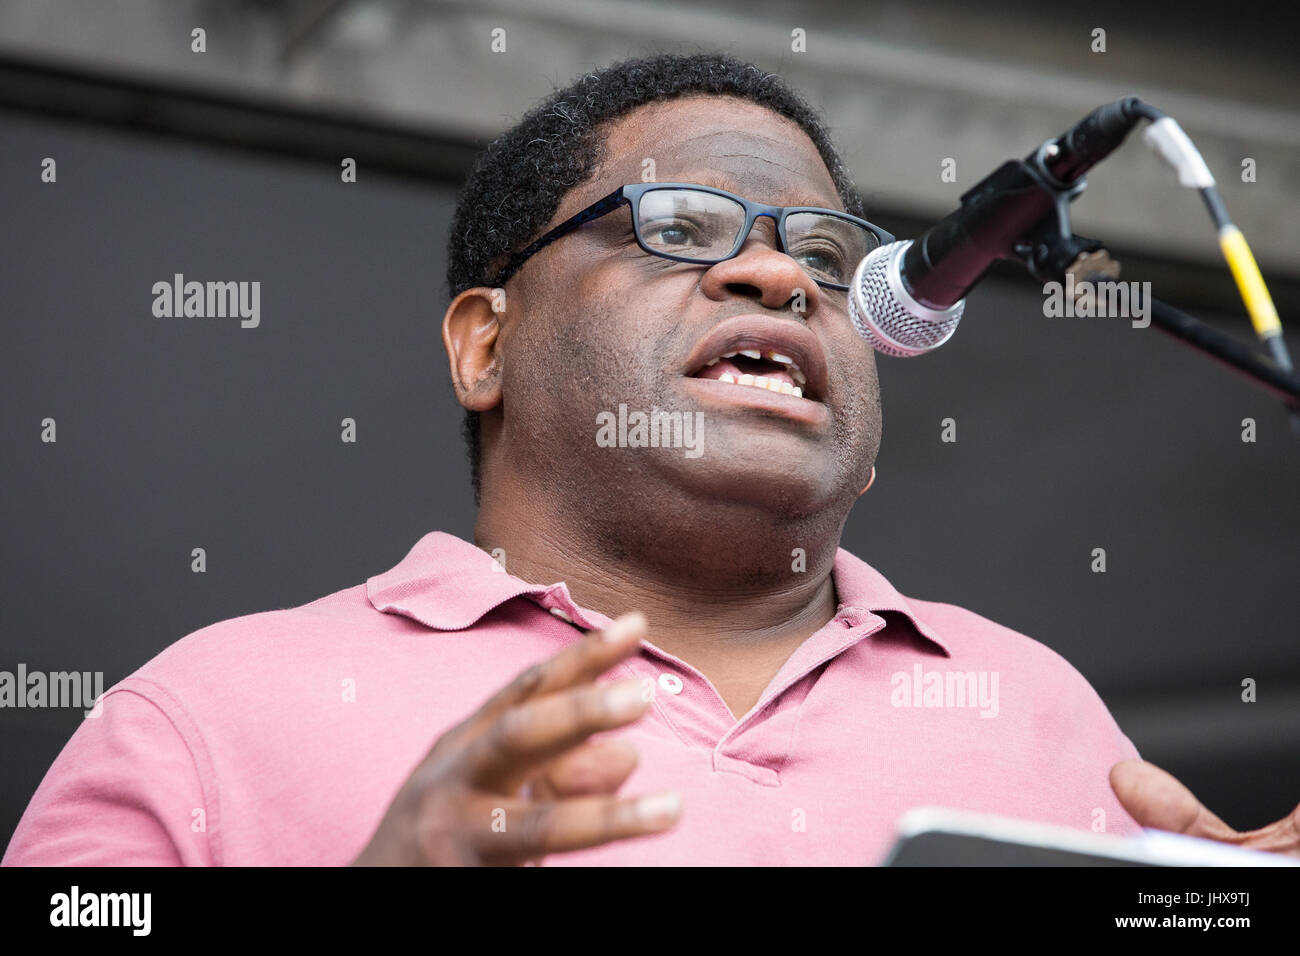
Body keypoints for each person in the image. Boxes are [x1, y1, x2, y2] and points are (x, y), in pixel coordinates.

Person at [5, 52, 1294, 867]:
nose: (779, 273)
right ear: (485, 346)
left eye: (829, 260)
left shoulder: (1045, 711)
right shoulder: (201, 720)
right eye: (682, 225)